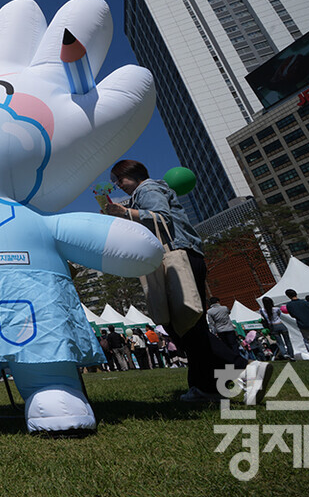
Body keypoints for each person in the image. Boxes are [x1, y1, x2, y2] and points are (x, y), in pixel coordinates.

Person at [106, 159, 271, 404]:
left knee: (184, 326)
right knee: (189, 325)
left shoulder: (147, 189)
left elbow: (161, 218)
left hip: (178, 256)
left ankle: (244, 368)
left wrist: (126, 213)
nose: (118, 185)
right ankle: (206, 387)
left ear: (135, 175)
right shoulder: (144, 192)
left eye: (120, 179)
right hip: (183, 256)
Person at [259, 296, 294, 361]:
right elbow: (279, 315)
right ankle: (291, 355)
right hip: (280, 324)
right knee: (287, 341)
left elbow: (264, 318)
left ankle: (284, 353)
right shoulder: (276, 309)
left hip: (272, 326)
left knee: (280, 342)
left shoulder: (262, 310)